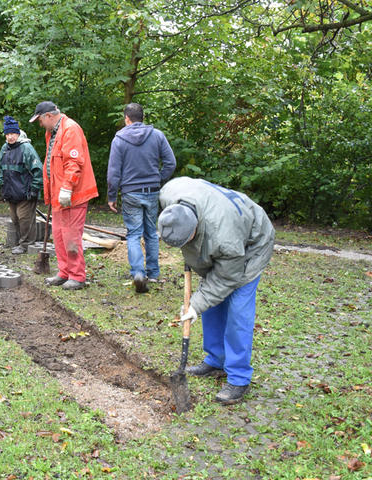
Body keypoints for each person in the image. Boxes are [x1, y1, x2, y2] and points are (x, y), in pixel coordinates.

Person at [158, 176, 275, 405]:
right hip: (219, 237)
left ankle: (239, 378)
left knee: (237, 310)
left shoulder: (224, 238)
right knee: (210, 304)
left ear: (194, 230)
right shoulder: (169, 194)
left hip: (251, 246)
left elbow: (225, 279)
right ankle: (216, 359)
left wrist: (196, 305)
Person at [107, 103, 176, 293]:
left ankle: (138, 272)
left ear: (127, 119)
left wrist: (112, 195)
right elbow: (171, 162)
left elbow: (113, 172)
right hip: (152, 191)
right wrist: (158, 179)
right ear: (142, 118)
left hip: (131, 192)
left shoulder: (119, 139)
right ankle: (153, 273)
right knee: (151, 233)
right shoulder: (157, 136)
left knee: (134, 234)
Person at [29, 101, 98, 290]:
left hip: (73, 194)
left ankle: (77, 275)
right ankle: (64, 271)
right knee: (58, 234)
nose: (40, 124)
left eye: (40, 120)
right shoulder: (52, 133)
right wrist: (53, 192)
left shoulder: (71, 129)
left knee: (71, 235)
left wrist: (67, 188)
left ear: (48, 116)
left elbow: (74, 162)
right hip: (59, 195)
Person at [0, 115, 43, 254]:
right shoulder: (4, 149)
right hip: (11, 191)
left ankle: (26, 244)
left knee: (24, 218)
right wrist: (1, 185)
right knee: (15, 218)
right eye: (8, 134)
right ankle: (20, 242)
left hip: (26, 191)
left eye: (13, 133)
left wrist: (35, 189)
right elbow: (2, 169)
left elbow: (38, 170)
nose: (10, 137)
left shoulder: (26, 148)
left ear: (18, 133)